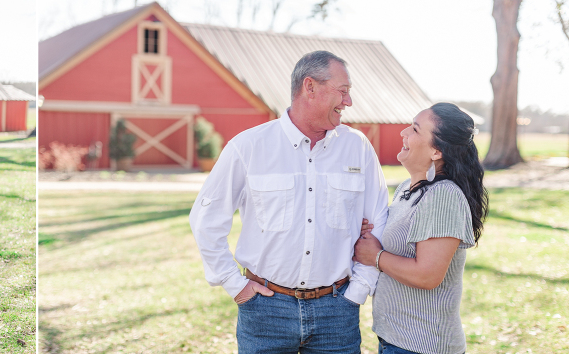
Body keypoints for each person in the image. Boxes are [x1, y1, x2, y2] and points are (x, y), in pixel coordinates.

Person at [189, 50, 389, 353]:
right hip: (265, 311)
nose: (348, 102)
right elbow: (206, 219)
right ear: (310, 87)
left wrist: (359, 290)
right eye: (343, 91)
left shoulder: (357, 147)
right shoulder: (248, 146)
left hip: (337, 311)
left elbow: (378, 220)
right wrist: (235, 285)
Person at [353, 103, 488, 354]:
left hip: (424, 344)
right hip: (394, 338)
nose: (403, 133)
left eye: (415, 129)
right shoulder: (408, 187)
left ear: (436, 151)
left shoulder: (443, 195)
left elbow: (427, 276)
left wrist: (376, 257)